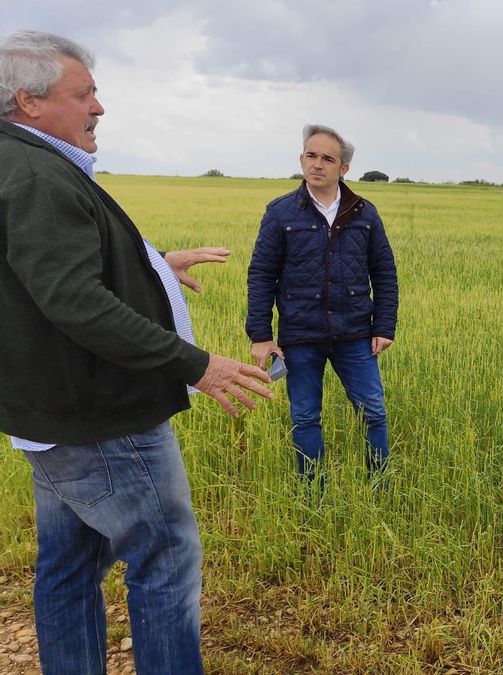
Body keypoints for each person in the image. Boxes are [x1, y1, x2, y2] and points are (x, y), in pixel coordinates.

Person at [0, 30, 273, 674]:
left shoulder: (18, 162)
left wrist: (151, 266)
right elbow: (76, 302)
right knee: (166, 559)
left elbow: (40, 277)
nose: (99, 107)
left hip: (56, 415)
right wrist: (198, 365)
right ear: (29, 102)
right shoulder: (38, 175)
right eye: (84, 94)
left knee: (69, 565)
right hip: (103, 418)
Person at [246, 124, 399, 480]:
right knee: (304, 417)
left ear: (343, 168)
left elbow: (384, 272)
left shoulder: (364, 213)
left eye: (327, 159)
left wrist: (384, 326)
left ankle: (379, 485)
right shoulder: (281, 213)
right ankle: (312, 492)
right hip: (300, 335)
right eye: (311, 155)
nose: (317, 164)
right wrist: (260, 335)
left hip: (355, 334)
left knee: (373, 412)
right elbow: (262, 275)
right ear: (301, 159)